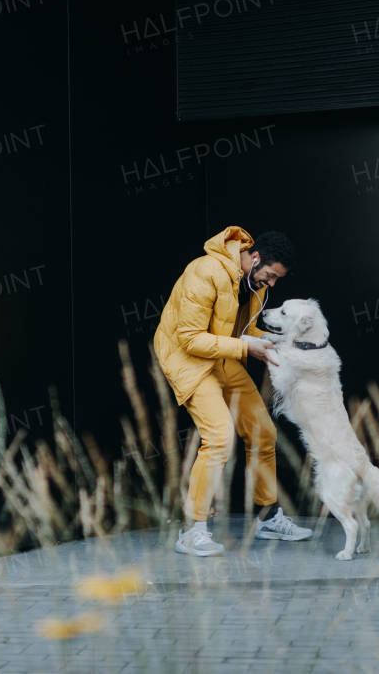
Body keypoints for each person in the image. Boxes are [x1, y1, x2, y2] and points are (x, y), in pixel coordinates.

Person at [153, 226, 312, 556]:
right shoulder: (204, 271)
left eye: (276, 280)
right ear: (254, 258)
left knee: (263, 431)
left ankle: (268, 517)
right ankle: (192, 531)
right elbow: (190, 338)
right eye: (269, 276)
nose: (271, 284)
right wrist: (244, 346)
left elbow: (244, 329)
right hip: (188, 358)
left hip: (223, 355)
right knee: (220, 437)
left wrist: (278, 341)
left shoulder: (252, 283)